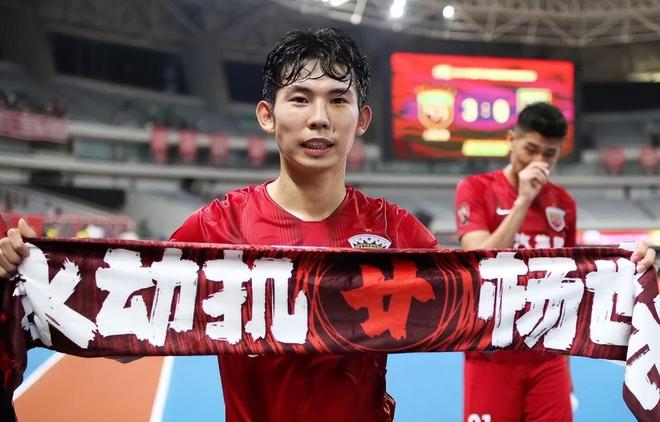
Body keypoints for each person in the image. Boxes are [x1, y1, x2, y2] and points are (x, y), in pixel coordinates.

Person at [0, 28, 438, 422]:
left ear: (362, 120)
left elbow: (470, 306)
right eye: (300, 98)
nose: (319, 117)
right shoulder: (216, 227)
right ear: (267, 115)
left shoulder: (395, 229)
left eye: (338, 100)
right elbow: (125, 335)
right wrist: (28, 275)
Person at [454, 102, 656, 422]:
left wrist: (632, 259)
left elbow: (571, 288)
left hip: (548, 357)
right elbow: (479, 263)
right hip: (491, 353)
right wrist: (523, 201)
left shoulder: (563, 203)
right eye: (530, 149)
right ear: (511, 140)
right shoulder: (475, 189)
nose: (539, 161)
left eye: (549, 154)